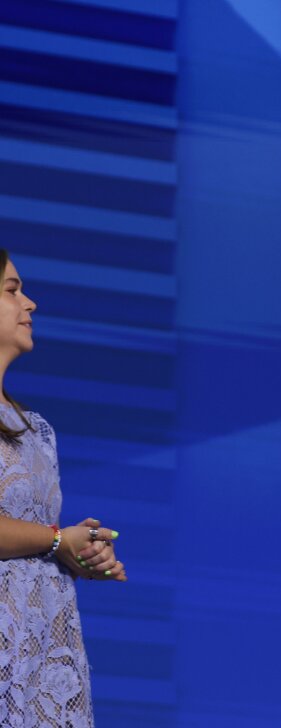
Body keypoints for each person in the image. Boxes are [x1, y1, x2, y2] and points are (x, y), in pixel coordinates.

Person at [0, 249, 127, 727]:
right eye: (12, 290)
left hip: (39, 654)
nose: (29, 303)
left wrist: (74, 550)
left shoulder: (36, 430)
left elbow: (32, 533)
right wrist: (55, 540)